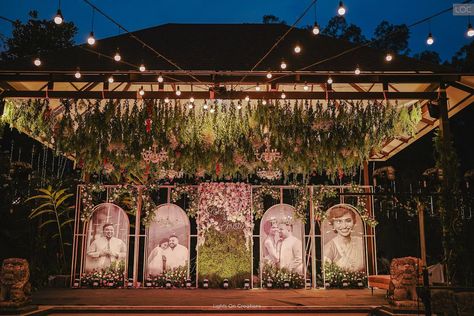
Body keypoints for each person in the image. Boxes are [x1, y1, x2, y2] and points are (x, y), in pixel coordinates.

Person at [323, 206, 365, 272]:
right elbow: (325, 274)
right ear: (333, 225)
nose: (344, 226)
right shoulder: (330, 247)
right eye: (339, 221)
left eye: (348, 221)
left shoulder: (361, 242)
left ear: (354, 222)